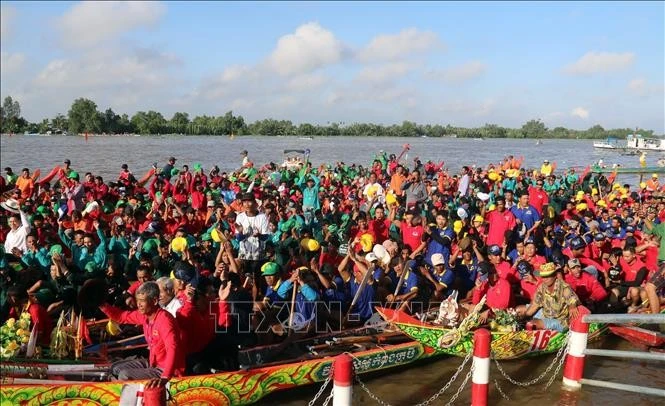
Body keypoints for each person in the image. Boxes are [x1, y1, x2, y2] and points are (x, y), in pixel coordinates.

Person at [102, 281, 185, 381]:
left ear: (154, 301)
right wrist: (102, 306)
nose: (139, 304)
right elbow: (121, 317)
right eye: (137, 300)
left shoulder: (165, 320)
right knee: (115, 368)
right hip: (153, 364)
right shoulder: (144, 315)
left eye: (142, 301)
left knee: (124, 375)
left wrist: (165, 377)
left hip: (167, 370)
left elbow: (172, 349)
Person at [520, 262, 581, 331]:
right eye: (543, 276)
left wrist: (572, 306)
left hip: (560, 321)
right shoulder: (541, 287)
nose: (545, 279)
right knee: (519, 310)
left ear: (555, 275)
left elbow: (573, 299)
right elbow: (535, 305)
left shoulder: (563, 287)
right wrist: (524, 317)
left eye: (548, 276)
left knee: (532, 323)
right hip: (546, 314)